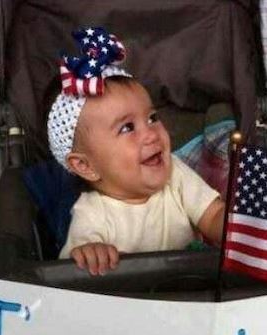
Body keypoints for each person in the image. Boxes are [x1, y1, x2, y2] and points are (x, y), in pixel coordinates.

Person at [47, 27, 224, 275]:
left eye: (152, 118)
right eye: (127, 127)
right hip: (131, 306)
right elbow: (74, 269)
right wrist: (91, 253)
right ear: (85, 166)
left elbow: (214, 216)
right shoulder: (92, 214)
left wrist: (241, 225)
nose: (151, 133)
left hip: (187, 294)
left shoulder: (176, 174)